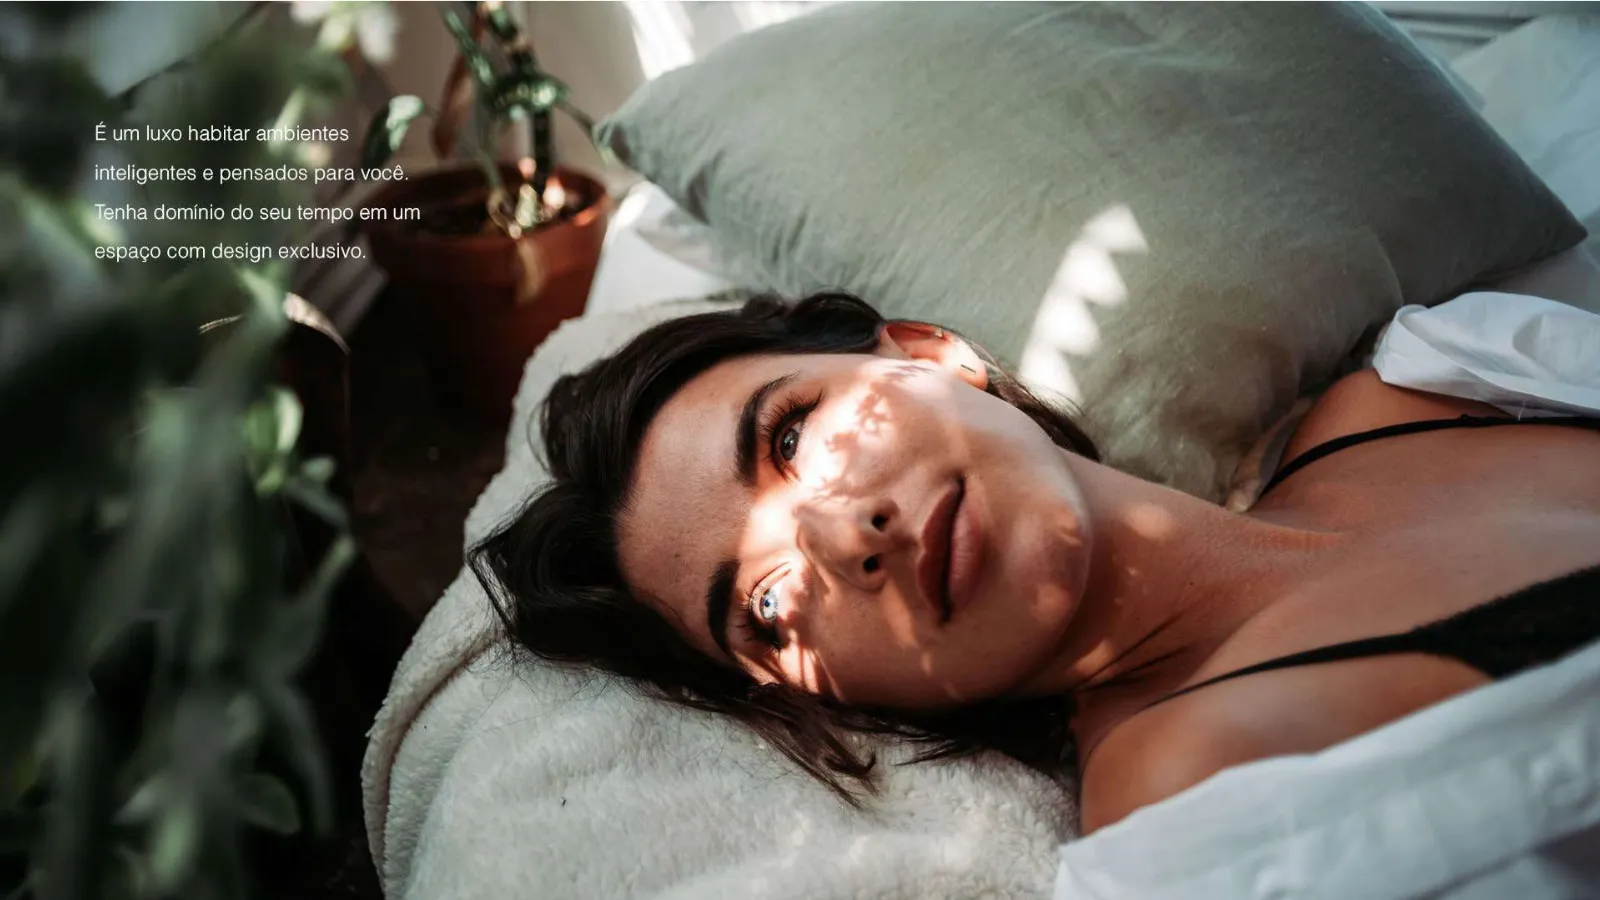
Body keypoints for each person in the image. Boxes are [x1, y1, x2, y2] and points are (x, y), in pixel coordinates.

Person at [470, 291, 1600, 834]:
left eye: (792, 435)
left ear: (931, 355)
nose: (846, 540)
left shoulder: (1418, 385)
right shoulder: (1196, 791)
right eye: (765, 605)